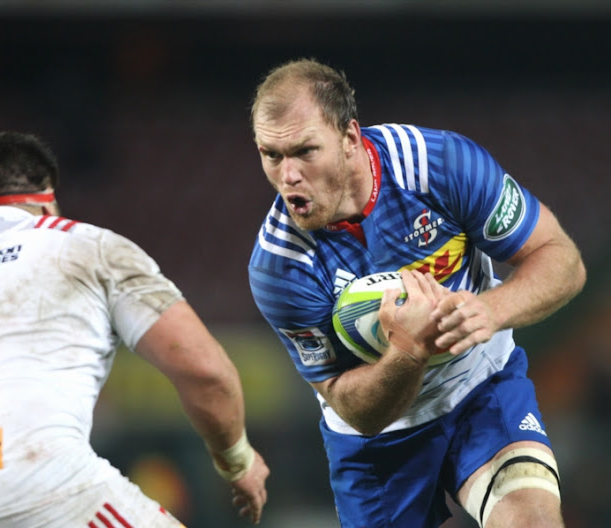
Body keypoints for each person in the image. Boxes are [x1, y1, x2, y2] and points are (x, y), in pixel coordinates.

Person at [247, 58, 585, 528]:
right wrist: (408, 350)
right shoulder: (279, 266)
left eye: (305, 151)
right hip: (378, 442)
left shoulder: (439, 165)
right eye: (271, 155)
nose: (288, 176)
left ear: (349, 139)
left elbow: (561, 259)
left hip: (480, 386)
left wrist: (490, 310)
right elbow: (353, 408)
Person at [0, 131, 269, 528]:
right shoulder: (85, 246)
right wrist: (238, 462)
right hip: (34, 473)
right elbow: (206, 373)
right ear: (47, 196)